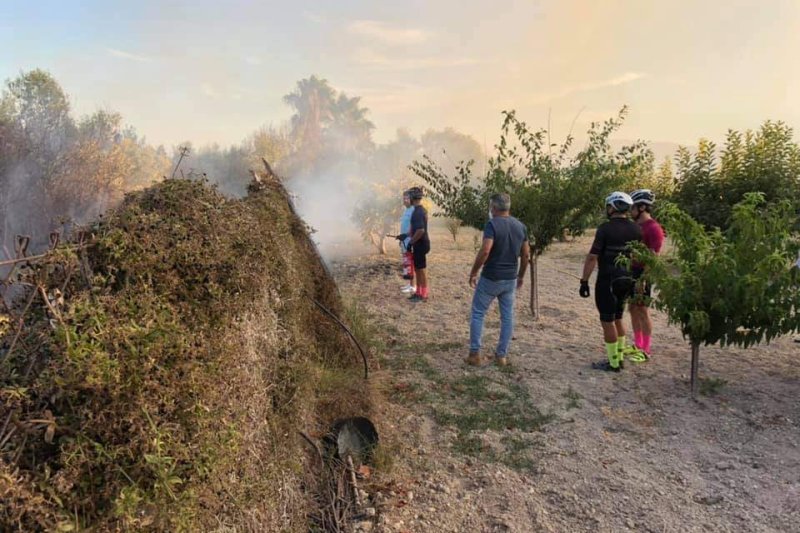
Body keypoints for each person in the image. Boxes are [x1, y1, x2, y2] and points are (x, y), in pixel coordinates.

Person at [579, 192, 642, 372]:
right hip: (627, 280)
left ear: (613, 207)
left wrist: (584, 281)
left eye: (608, 206)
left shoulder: (605, 229)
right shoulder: (636, 229)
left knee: (607, 321)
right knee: (618, 318)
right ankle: (619, 357)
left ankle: (613, 362)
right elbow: (638, 258)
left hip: (607, 280)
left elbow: (592, 257)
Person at [466, 193, 529, 367]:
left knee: (478, 313)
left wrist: (473, 272)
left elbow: (486, 250)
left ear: (493, 208)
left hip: (491, 277)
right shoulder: (521, 226)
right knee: (507, 317)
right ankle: (501, 356)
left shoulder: (492, 224)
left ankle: (474, 354)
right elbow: (525, 255)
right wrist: (521, 276)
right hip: (510, 279)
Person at [627, 189, 665, 361]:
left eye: (632, 207)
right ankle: (637, 344)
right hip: (632, 271)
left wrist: (643, 279)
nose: (630, 211)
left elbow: (653, 258)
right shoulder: (635, 227)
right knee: (633, 308)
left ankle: (646, 350)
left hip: (644, 273)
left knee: (643, 310)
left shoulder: (653, 228)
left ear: (642, 207)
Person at [406, 187, 430, 302]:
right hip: (421, 243)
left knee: (421, 270)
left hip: (420, 244)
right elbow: (417, 229)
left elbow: (420, 230)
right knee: (418, 269)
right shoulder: (421, 210)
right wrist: (406, 235)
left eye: (409, 196)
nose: (408, 199)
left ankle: (423, 294)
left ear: (413, 198)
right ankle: (419, 292)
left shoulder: (417, 212)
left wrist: (411, 242)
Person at [397, 190, 416, 294]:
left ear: (412, 199)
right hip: (404, 240)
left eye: (407, 198)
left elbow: (413, 227)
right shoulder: (406, 210)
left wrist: (407, 237)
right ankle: (409, 284)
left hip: (410, 241)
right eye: (404, 198)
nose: (405, 200)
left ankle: (413, 286)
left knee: (410, 263)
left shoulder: (413, 210)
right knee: (406, 263)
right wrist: (401, 238)